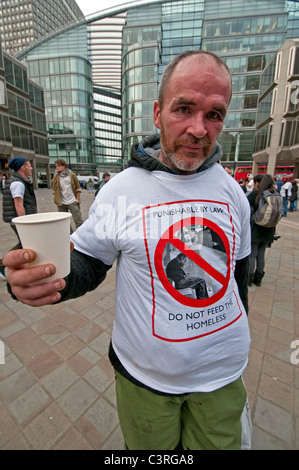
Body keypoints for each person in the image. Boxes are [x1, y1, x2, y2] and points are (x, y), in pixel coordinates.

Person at [3, 51, 252, 450]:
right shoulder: (122, 189)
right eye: (183, 108)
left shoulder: (232, 191)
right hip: (146, 380)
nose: (199, 129)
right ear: (157, 113)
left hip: (222, 378)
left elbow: (237, 276)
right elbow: (87, 261)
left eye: (214, 115)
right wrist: (43, 276)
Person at [0, 157, 36, 280]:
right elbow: (18, 205)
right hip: (18, 221)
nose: (31, 168)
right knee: (25, 243)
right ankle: (2, 263)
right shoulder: (18, 183)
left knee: (25, 243)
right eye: (29, 165)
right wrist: (24, 223)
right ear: (22, 167)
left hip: (17, 220)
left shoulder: (19, 181)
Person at [247, 174, 277, 287]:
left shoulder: (257, 193)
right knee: (261, 254)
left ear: (258, 183)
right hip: (269, 229)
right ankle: (258, 279)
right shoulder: (274, 194)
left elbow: (245, 204)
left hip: (256, 228)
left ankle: (249, 278)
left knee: (252, 254)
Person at [52, 159, 83, 231]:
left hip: (72, 201)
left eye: (59, 166)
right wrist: (56, 198)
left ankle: (82, 236)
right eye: (56, 166)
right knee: (64, 222)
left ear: (64, 165)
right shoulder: (56, 176)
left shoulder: (72, 175)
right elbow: (54, 189)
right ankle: (69, 238)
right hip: (61, 203)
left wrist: (77, 199)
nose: (57, 168)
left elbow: (78, 188)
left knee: (78, 220)